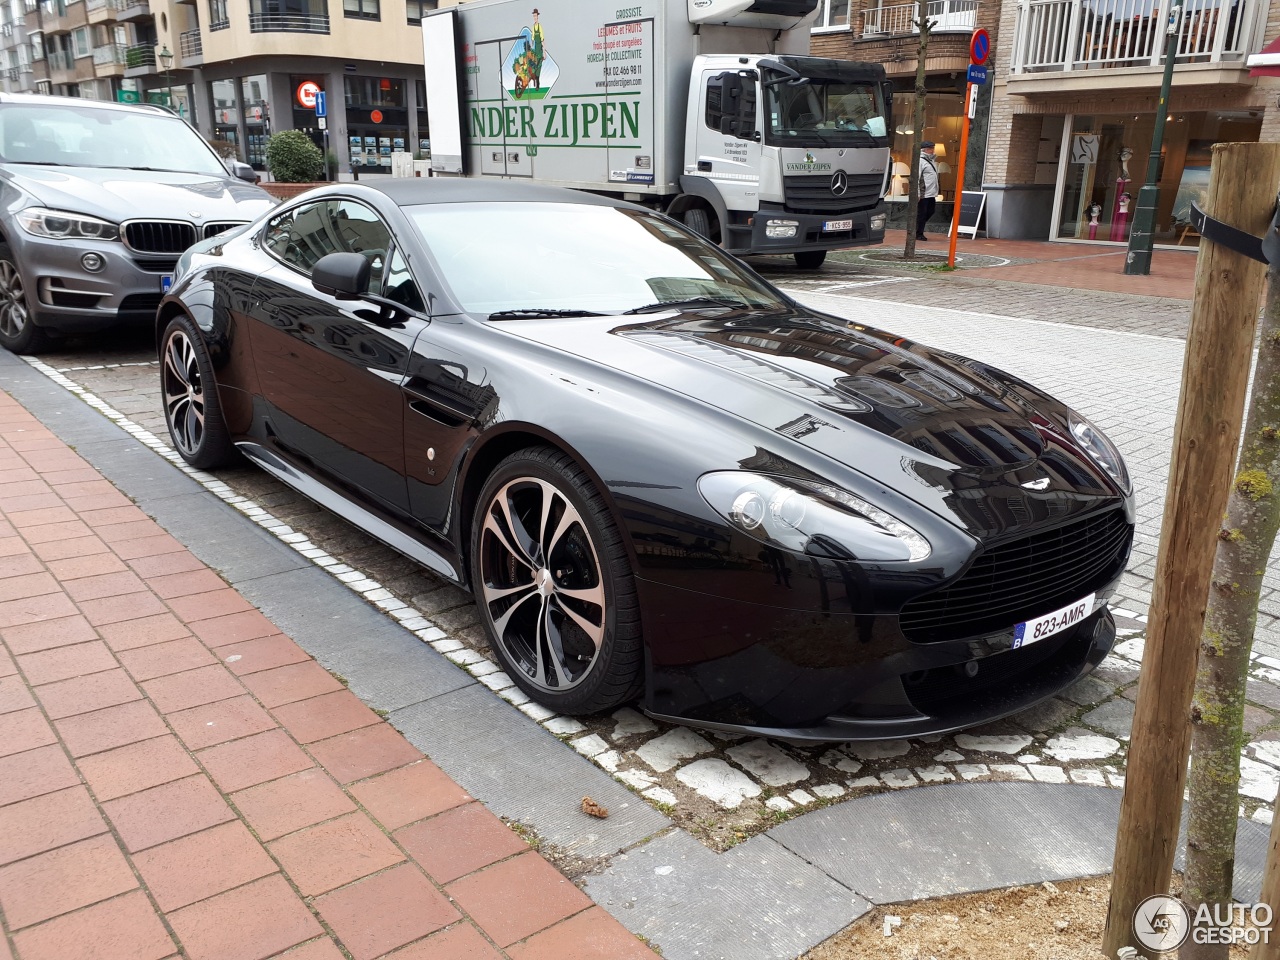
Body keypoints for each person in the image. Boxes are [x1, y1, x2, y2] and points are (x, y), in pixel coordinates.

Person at [916, 141, 939, 241]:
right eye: (930, 148)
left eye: (933, 148)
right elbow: (917, 177)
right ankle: (918, 233)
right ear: (924, 150)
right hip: (923, 193)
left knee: (930, 211)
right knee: (922, 213)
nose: (932, 150)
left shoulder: (931, 161)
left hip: (931, 193)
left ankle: (917, 227)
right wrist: (917, 193)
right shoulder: (920, 161)